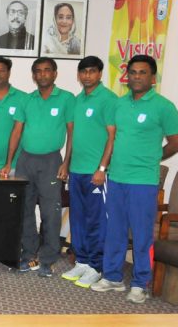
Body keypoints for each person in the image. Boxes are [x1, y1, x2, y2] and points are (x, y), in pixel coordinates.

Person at [91, 55, 178, 304]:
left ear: (153, 78)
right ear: (127, 76)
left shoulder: (164, 106)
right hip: (117, 177)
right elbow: (113, 139)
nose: (137, 77)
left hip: (143, 181)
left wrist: (153, 158)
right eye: (132, 72)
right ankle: (112, 277)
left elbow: (177, 143)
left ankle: (140, 283)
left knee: (142, 234)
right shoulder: (119, 105)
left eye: (142, 73)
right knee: (115, 231)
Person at [2, 57, 75, 277]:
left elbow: (72, 132)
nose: (42, 75)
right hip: (25, 160)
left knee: (50, 212)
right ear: (34, 76)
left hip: (51, 161)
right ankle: (28, 255)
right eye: (38, 71)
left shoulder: (66, 99)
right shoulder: (27, 100)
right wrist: (8, 162)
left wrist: (66, 162)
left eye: (47, 71)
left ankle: (47, 259)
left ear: (55, 74)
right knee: (24, 209)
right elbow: (16, 131)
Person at [62, 56, 116, 288]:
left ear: (100, 74)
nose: (87, 76)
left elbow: (112, 136)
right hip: (77, 170)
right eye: (83, 72)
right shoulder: (77, 100)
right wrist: (66, 163)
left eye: (92, 71)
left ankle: (96, 266)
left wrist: (102, 168)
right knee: (78, 219)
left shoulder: (108, 100)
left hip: (97, 173)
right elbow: (73, 136)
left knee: (96, 221)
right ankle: (82, 262)